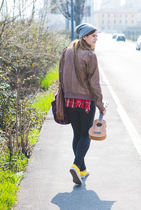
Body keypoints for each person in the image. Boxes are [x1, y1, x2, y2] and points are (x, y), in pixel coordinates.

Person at [60, 23, 107, 185]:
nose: (96, 38)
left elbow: (61, 76)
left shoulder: (67, 51)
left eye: (96, 35)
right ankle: (76, 164)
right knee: (86, 135)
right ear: (84, 37)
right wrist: (101, 105)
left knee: (77, 135)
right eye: (93, 35)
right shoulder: (90, 55)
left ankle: (82, 169)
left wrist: (64, 96)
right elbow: (95, 83)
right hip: (86, 101)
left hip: (69, 100)